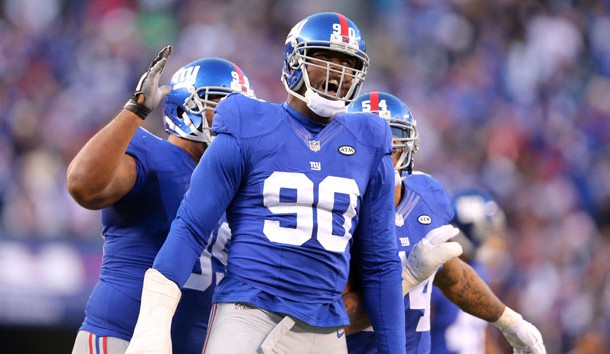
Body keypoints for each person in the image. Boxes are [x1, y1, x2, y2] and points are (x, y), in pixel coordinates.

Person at [126, 12, 406, 354]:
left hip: (326, 325)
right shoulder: (249, 123)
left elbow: (380, 263)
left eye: (347, 63)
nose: (337, 72)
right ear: (293, 61)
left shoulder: (370, 139)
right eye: (324, 57)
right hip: (250, 313)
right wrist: (153, 321)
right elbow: (191, 227)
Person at [66, 47, 255, 354]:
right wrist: (135, 112)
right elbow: (83, 186)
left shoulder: (237, 183)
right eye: (219, 105)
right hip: (122, 339)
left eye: (241, 110)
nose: (232, 119)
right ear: (185, 107)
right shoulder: (152, 153)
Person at [344, 91, 546, 354]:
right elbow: (331, 320)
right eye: (370, 146)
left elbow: (452, 275)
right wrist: (407, 278)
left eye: (393, 146)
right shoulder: (337, 213)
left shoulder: (424, 199)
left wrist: (509, 321)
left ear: (407, 148)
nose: (383, 156)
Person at [430, 188, 508, 354]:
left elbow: (483, 337)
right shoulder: (435, 274)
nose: (490, 239)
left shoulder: (479, 270)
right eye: (484, 231)